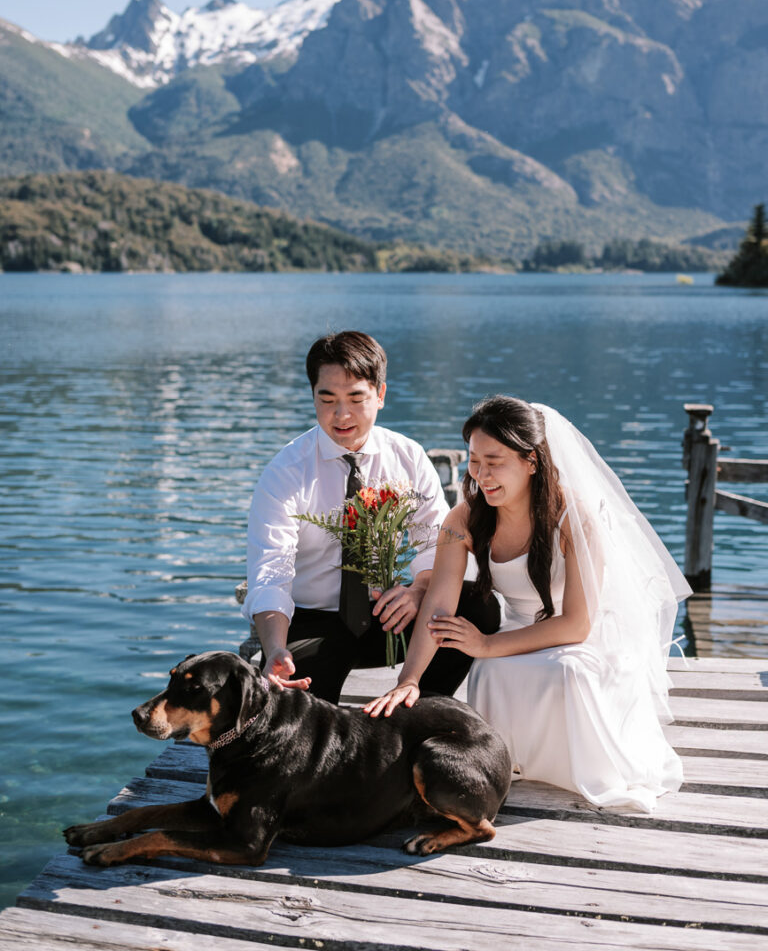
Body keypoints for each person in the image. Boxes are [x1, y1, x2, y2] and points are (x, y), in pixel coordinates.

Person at [365, 395, 692, 813]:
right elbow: (437, 609)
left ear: (531, 461)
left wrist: (484, 643)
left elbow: (576, 625)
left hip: (583, 640)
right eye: (474, 460)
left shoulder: (575, 516)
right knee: (490, 671)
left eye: (495, 461)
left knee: (565, 670)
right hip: (516, 632)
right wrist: (409, 680)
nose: (481, 475)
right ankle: (504, 765)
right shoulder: (463, 520)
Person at [242, 331, 500, 704]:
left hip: (391, 615)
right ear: (312, 396)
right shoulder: (286, 471)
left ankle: (418, 711)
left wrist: (419, 591)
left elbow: (437, 545)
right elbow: (270, 573)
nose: (341, 415)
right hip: (314, 622)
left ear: (380, 395)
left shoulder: (407, 456)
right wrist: (276, 648)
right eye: (326, 399)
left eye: (355, 399)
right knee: (294, 710)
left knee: (478, 606)